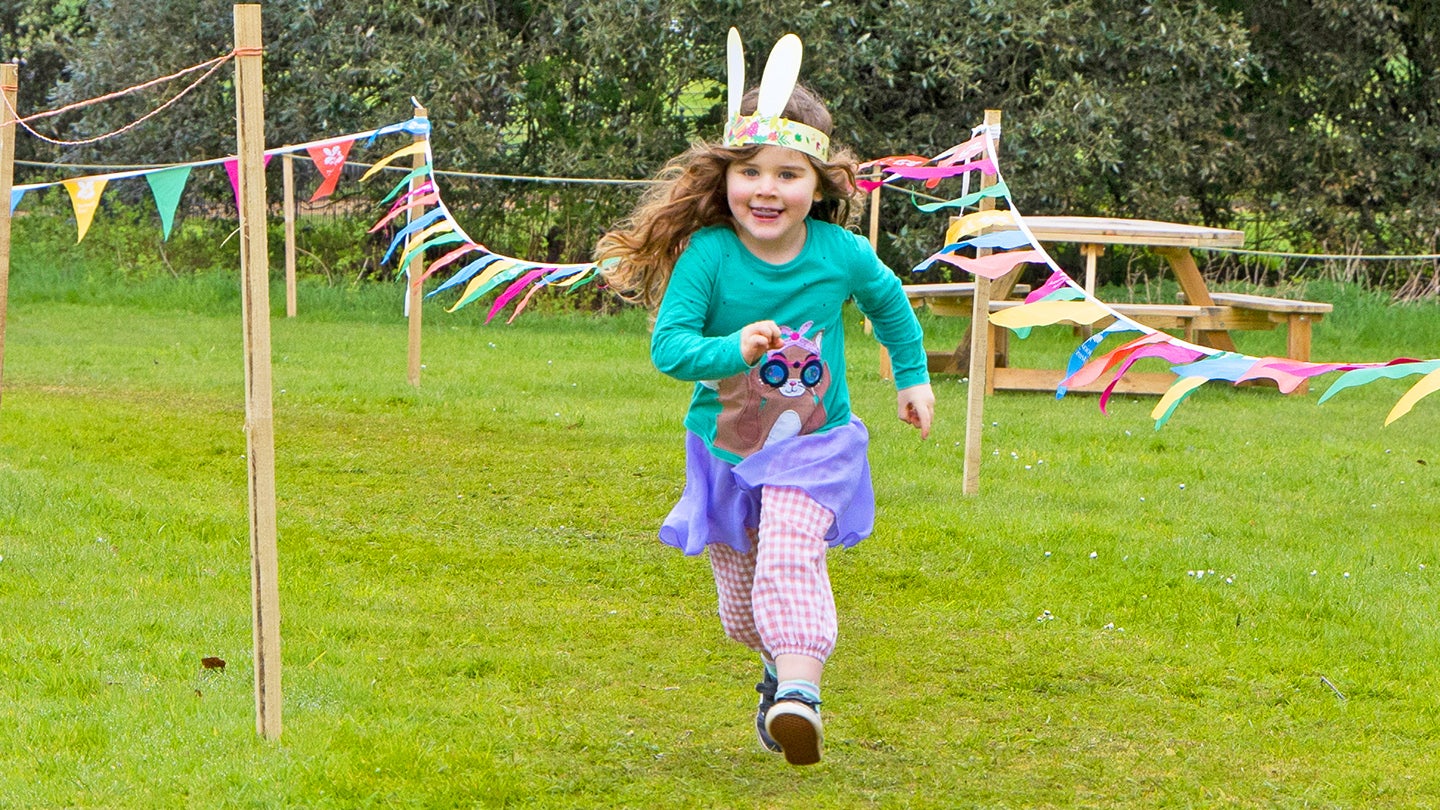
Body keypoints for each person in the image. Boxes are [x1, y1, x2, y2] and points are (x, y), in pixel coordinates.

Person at [595, 29, 935, 767]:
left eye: (788, 174)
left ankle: (803, 699)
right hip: (725, 448)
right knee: (744, 611)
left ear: (818, 185)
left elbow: (891, 305)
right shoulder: (708, 257)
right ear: (725, 178)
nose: (768, 190)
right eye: (751, 172)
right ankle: (778, 676)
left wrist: (912, 377)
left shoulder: (841, 253)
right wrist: (732, 351)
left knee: (789, 557)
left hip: (815, 446)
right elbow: (669, 348)